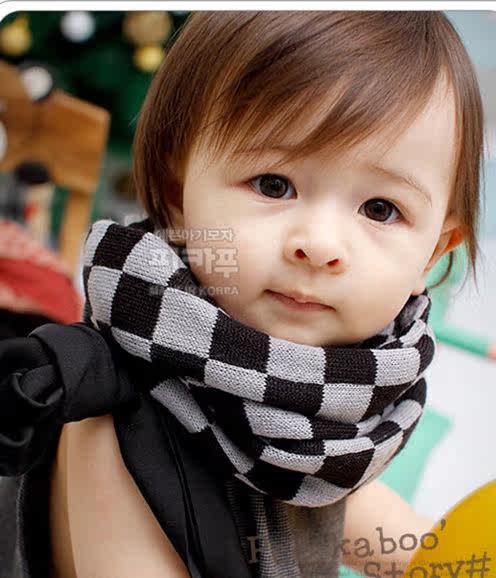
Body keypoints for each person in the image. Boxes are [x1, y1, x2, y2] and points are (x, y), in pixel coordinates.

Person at [0, 10, 484, 578]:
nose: (319, 245)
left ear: (432, 254)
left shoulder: (321, 416)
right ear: (177, 193)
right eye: (274, 185)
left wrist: (445, 562)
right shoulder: (119, 411)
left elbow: (331, 508)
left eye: (381, 209)